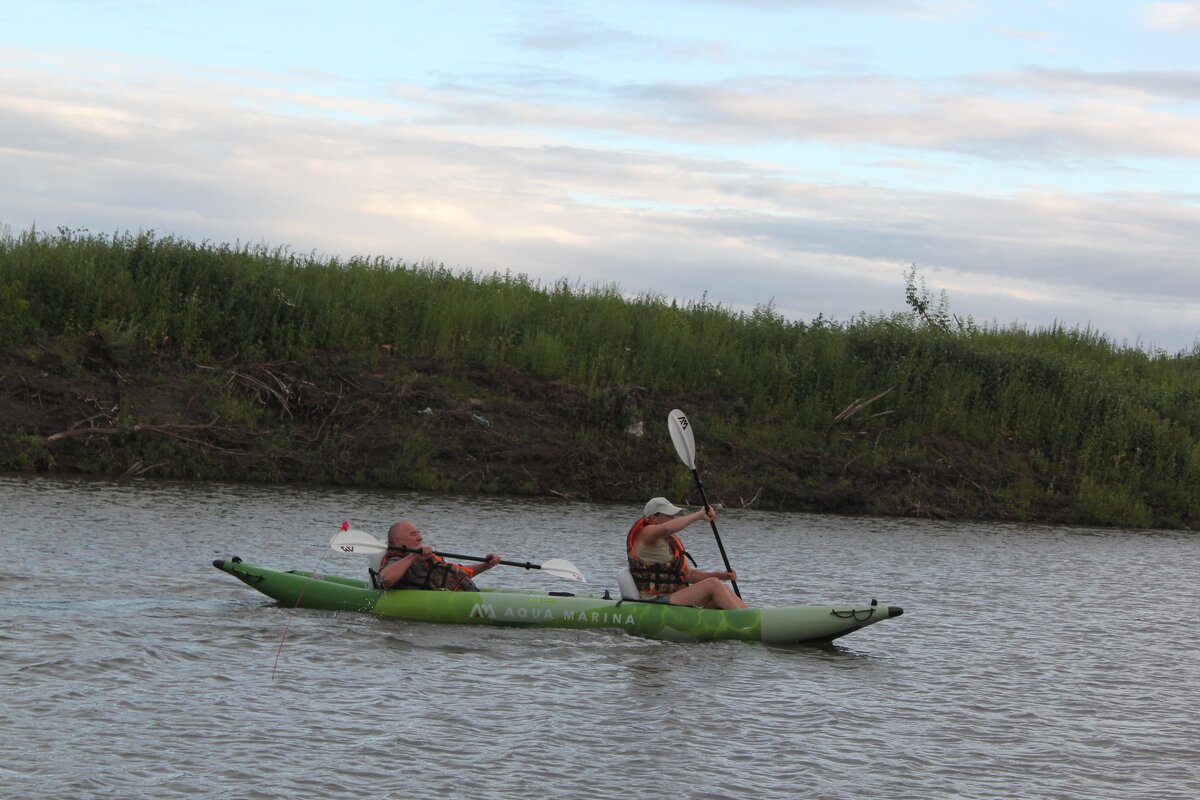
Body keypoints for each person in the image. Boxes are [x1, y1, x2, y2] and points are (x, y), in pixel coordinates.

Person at [626, 497, 747, 609]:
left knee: (722, 589)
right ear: (654, 517)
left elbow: (689, 575)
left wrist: (721, 576)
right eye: (669, 515)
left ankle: (749, 615)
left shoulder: (668, 540)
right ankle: (748, 620)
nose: (673, 518)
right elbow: (666, 528)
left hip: (675, 595)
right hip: (654, 599)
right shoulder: (645, 533)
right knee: (713, 585)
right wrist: (699, 515)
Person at [377, 520, 501, 592]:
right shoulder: (397, 560)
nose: (420, 537)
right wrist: (412, 557)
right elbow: (385, 579)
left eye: (419, 533)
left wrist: (486, 565)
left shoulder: (423, 558)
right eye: (413, 534)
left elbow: (456, 573)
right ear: (397, 541)